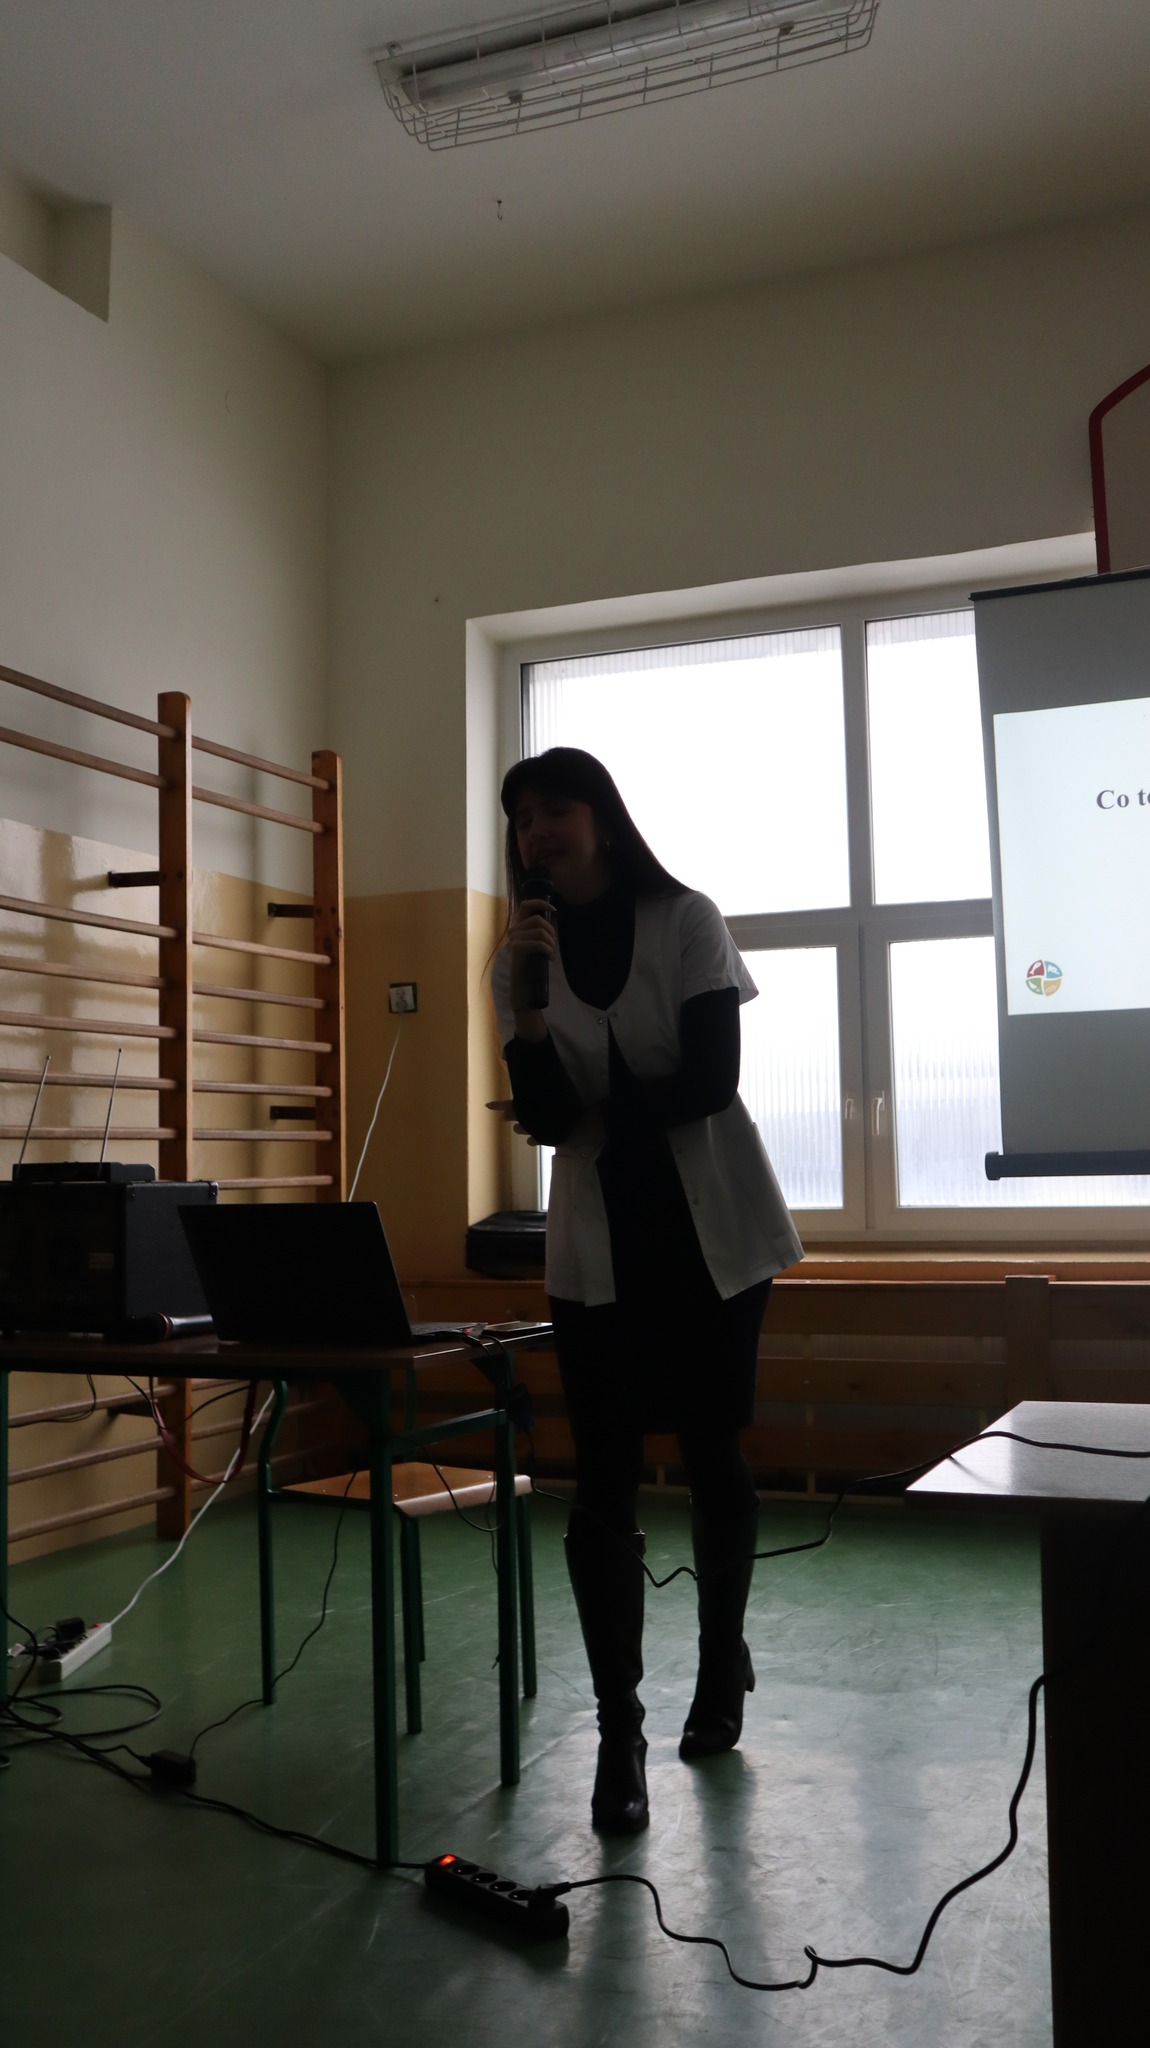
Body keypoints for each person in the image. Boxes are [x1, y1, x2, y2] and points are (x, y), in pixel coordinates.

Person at [490, 747, 802, 1834]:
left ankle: (720, 1666)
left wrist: (588, 1114)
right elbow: (540, 1116)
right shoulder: (515, 961)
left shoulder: (686, 919)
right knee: (603, 1479)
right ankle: (617, 1728)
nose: (538, 831)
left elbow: (712, 1080)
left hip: (711, 1238)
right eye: (523, 818)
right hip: (598, 1251)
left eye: (556, 809)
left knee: (713, 1451)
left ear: (603, 818)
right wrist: (531, 1016)